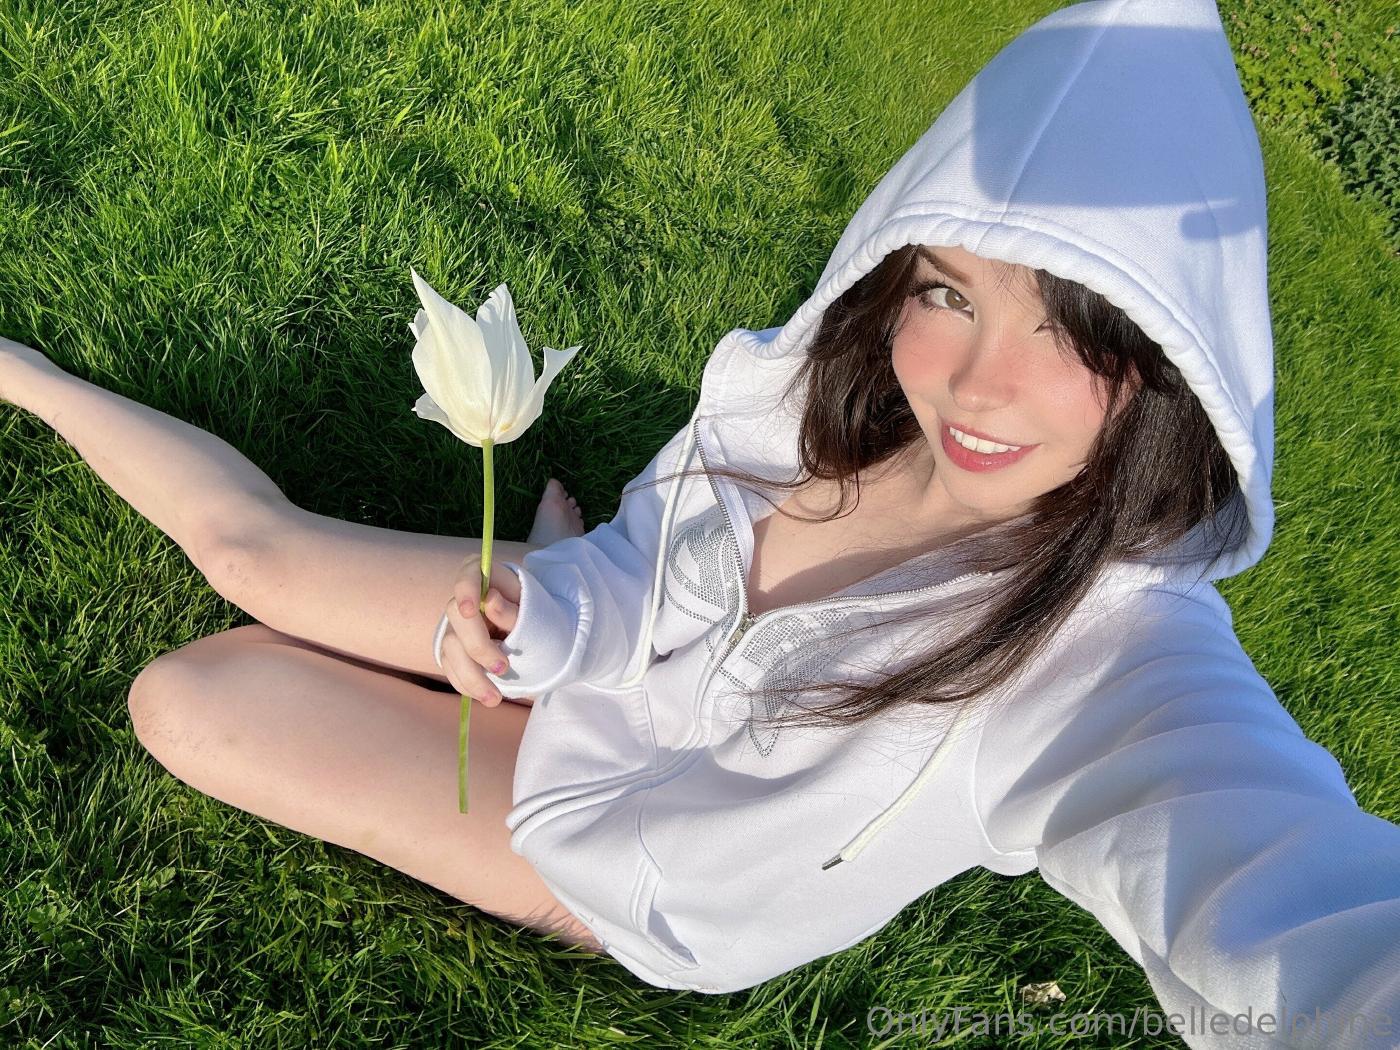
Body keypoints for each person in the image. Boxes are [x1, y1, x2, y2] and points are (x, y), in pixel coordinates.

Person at [1, 0, 1396, 1045]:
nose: (978, 386)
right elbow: (648, 564)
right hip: (598, 662)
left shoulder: (1117, 663)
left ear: (1169, 369)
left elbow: (1293, 898)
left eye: (1071, 333)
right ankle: (27, 375)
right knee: (253, 557)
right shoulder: (792, 421)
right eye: (948, 292)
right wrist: (558, 610)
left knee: (192, 697)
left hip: (603, 859)